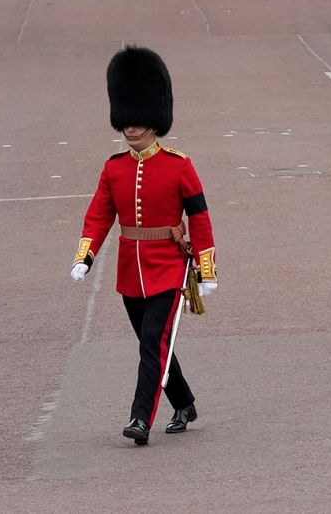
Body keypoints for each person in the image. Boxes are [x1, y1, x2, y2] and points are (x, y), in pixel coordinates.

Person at [70, 46, 218, 446]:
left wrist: (205, 269)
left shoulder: (178, 165)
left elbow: (199, 216)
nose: (130, 129)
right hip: (129, 274)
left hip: (169, 268)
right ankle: (184, 402)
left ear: (154, 120)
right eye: (126, 122)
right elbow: (99, 216)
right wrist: (85, 255)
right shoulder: (113, 168)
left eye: (137, 122)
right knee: (154, 344)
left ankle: (140, 418)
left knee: (153, 344)